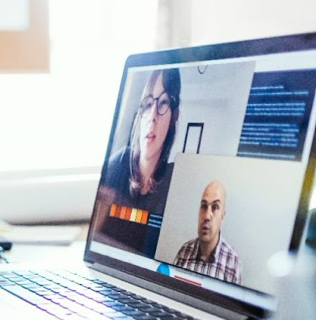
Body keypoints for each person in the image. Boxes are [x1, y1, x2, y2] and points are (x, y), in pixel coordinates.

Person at [102, 67, 182, 218]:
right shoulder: (119, 162)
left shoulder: (174, 184)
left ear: (174, 116)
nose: (153, 116)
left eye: (163, 103)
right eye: (148, 104)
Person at [174, 180, 241, 283]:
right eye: (204, 207)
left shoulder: (232, 263)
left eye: (215, 207)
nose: (206, 216)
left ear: (222, 215)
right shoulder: (184, 251)